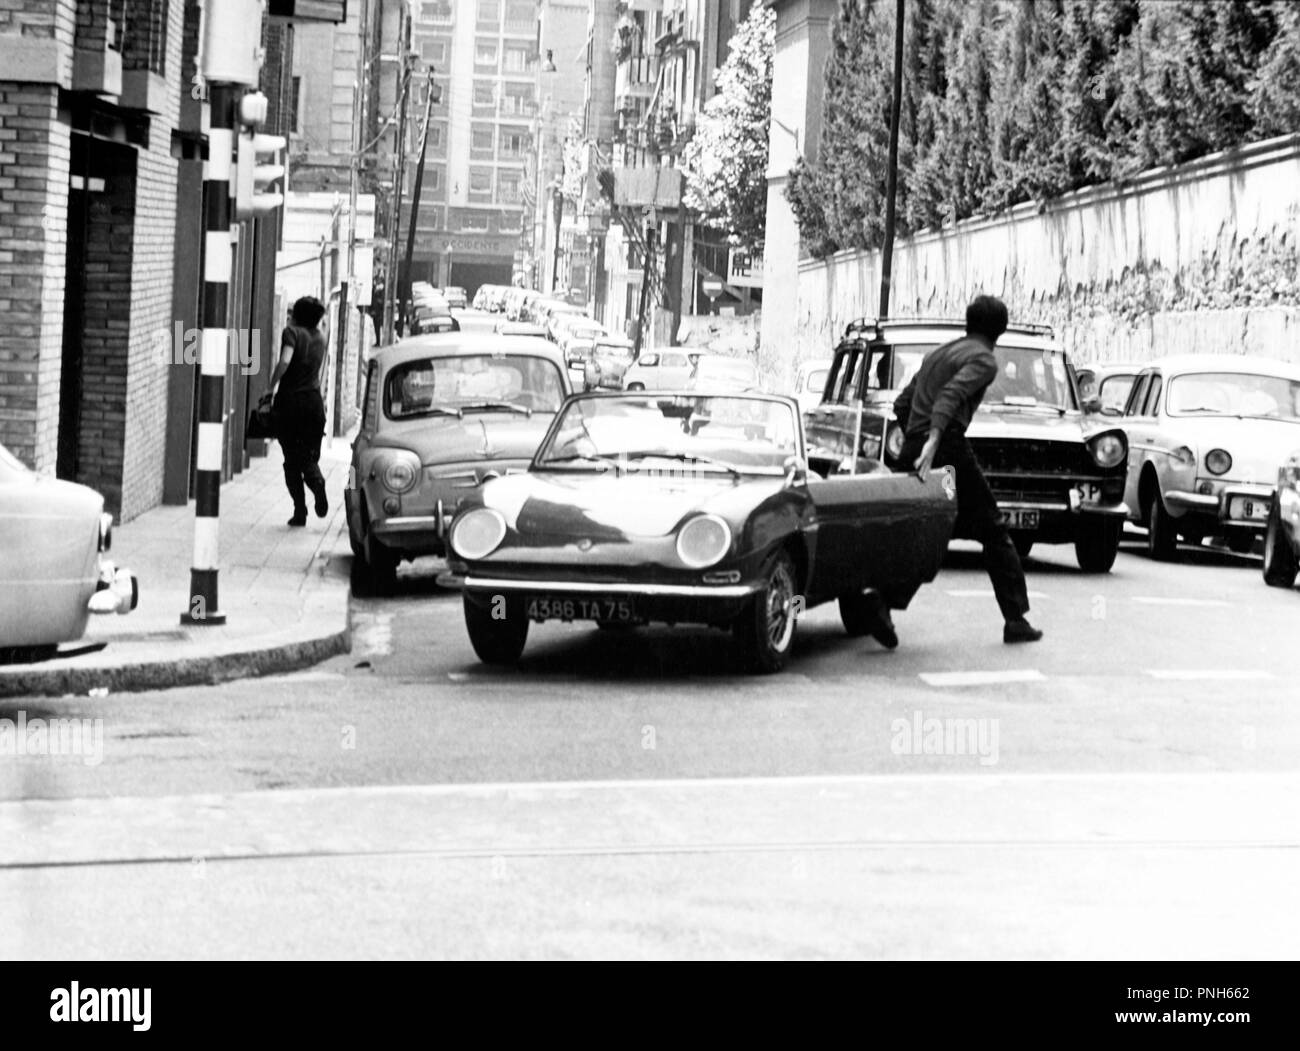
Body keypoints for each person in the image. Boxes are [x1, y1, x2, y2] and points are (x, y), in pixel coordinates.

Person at [891, 295, 1042, 644]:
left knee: (927, 530)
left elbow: (903, 402)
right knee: (992, 528)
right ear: (1000, 329)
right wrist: (935, 437)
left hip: (918, 447)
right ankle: (1015, 619)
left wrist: (917, 437)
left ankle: (881, 602)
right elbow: (951, 396)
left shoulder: (938, 354)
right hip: (945, 448)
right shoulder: (984, 361)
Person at [271, 296, 329, 527]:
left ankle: (300, 510)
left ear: (297, 315)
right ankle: (316, 482)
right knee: (309, 456)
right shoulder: (321, 338)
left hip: (291, 405)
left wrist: (271, 384)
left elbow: (285, 361)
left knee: (291, 461)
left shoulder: (292, 333)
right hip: (314, 405)